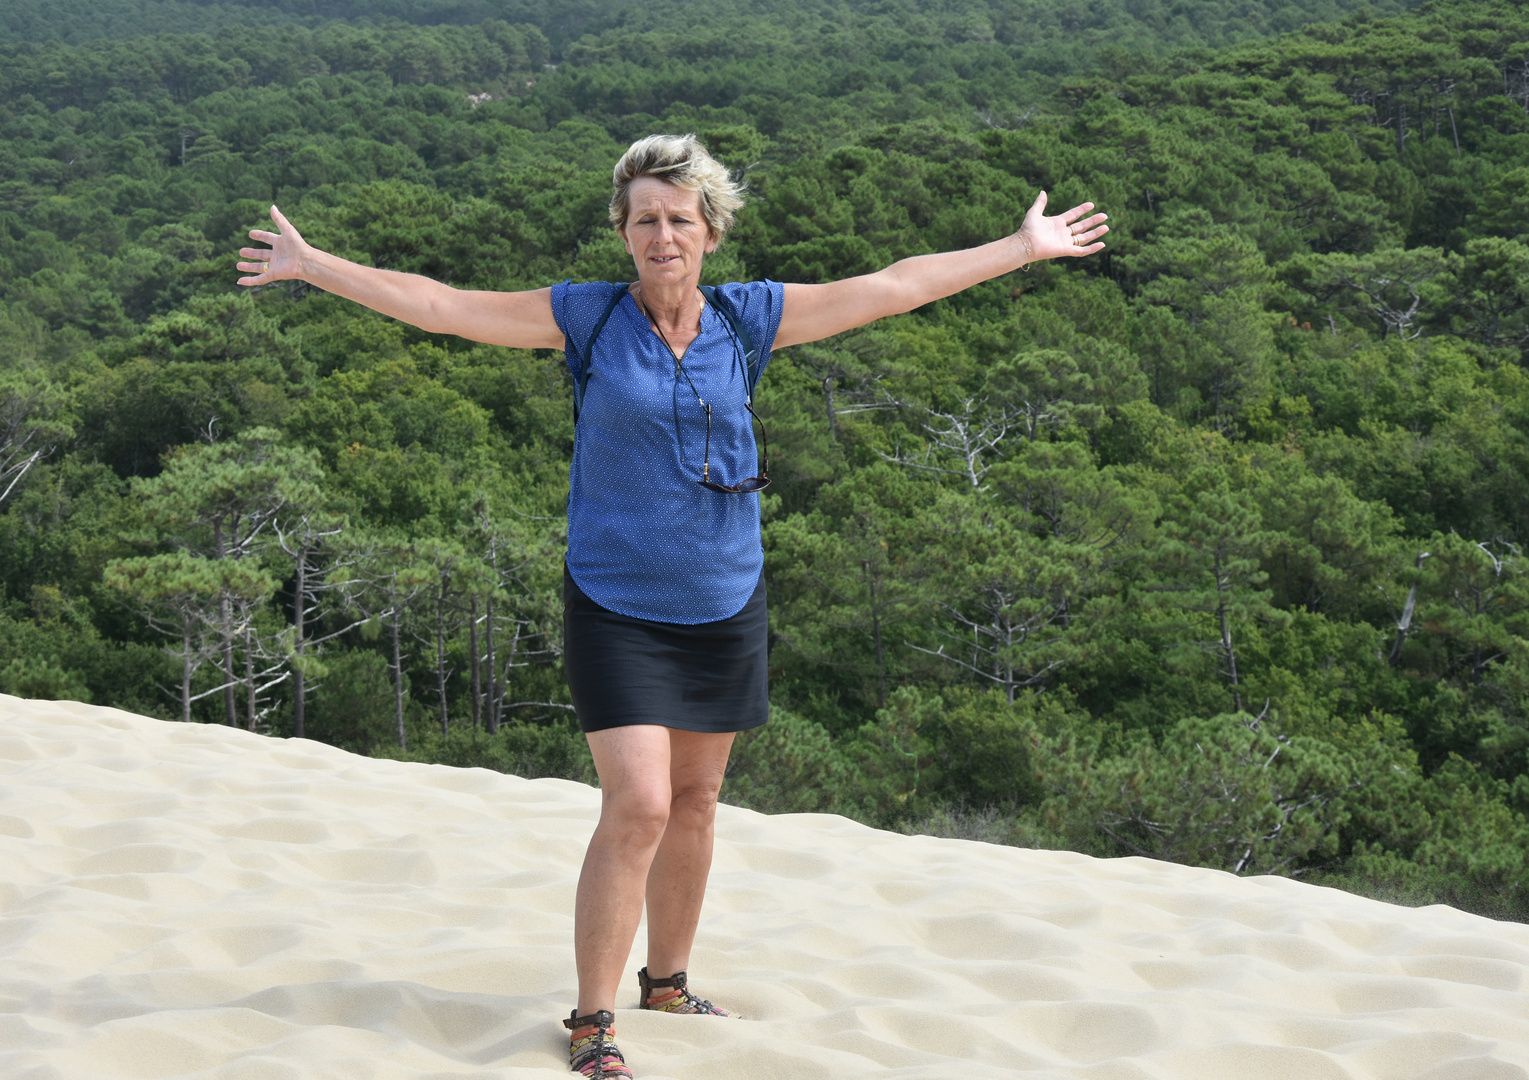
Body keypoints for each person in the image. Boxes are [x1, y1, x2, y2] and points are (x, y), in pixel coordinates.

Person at [238, 133, 1108, 1079]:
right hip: (614, 600)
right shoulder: (586, 320)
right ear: (623, 232)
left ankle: (667, 982)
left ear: (710, 233)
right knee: (641, 804)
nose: (663, 234)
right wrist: (312, 266)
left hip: (724, 600)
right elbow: (447, 308)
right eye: (645, 218)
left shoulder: (749, 321)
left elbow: (894, 284)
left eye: (680, 218)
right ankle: (592, 1019)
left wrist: (1020, 247)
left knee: (696, 801)